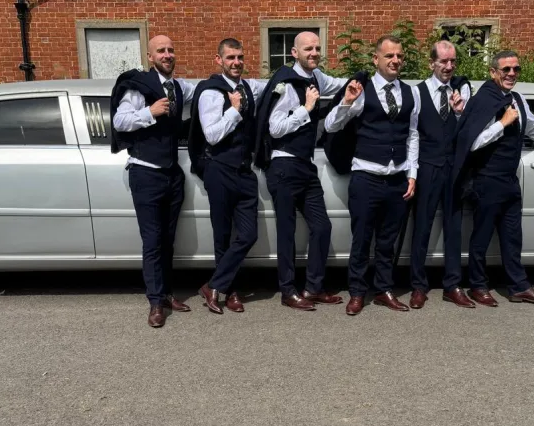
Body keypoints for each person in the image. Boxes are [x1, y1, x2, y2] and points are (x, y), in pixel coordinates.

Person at [253, 32, 355, 311]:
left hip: (306, 167)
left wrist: (358, 86)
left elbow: (340, 85)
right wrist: (307, 108)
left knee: (322, 227)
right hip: (283, 165)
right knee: (286, 232)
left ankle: (313, 287)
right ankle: (288, 291)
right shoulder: (285, 84)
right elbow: (275, 128)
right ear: (294, 53)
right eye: (307, 49)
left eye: (317, 48)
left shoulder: (317, 78)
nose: (314, 52)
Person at [323, 35, 418, 316]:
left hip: (397, 178)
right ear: (376, 59)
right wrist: (346, 102)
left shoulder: (411, 93)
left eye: (399, 56)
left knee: (388, 242)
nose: (395, 60)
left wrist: (412, 174)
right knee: (362, 240)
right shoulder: (361, 89)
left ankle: (384, 290)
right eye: (389, 56)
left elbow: (413, 136)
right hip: (366, 177)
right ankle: (356, 292)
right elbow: (330, 126)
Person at [453, 50, 534, 306]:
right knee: (482, 236)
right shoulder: (482, 100)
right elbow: (472, 143)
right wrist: (503, 123)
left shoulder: (518, 99)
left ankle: (519, 286)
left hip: (509, 180)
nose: (511, 74)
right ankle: (477, 285)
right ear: (493, 72)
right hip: (485, 180)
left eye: (516, 69)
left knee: (512, 236)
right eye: (506, 70)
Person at [110, 35, 196, 328]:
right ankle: (155, 302)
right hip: (145, 172)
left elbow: (206, 88)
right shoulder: (139, 87)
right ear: (150, 57)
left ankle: (167, 293)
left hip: (172, 173)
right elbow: (120, 122)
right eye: (161, 50)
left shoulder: (180, 87)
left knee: (168, 240)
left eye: (171, 50)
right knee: (153, 241)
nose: (167, 54)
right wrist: (150, 112)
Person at [187, 38, 268, 314]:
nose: (237, 63)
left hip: (245, 171)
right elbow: (211, 135)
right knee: (222, 235)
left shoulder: (248, 87)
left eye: (240, 57)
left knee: (247, 234)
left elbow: (273, 84)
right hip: (219, 169)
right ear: (218, 60)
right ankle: (229, 291)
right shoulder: (211, 92)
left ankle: (214, 285)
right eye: (231, 58)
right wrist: (233, 110)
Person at [407, 40, 475, 309]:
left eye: (453, 62)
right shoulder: (417, 92)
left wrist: (460, 114)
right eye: (443, 61)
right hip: (427, 168)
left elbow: (469, 133)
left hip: (454, 169)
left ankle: (453, 285)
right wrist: (412, 172)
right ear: (431, 63)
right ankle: (418, 285)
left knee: (454, 227)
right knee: (421, 227)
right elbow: (412, 134)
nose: (449, 66)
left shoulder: (462, 90)